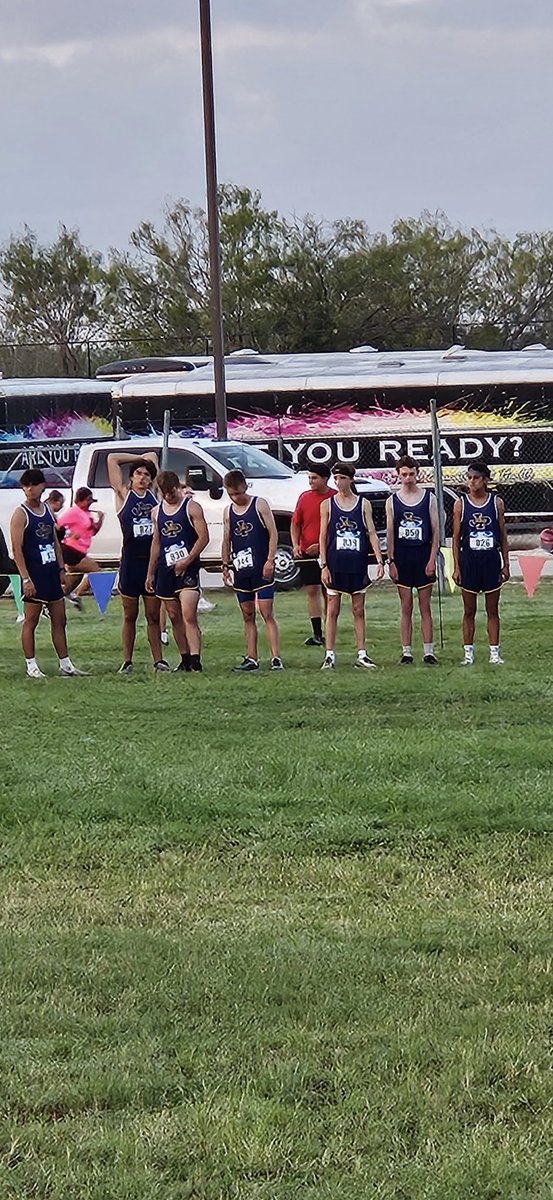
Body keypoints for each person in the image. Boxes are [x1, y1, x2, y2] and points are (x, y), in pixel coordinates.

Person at [9, 468, 87, 678]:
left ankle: (66, 664)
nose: (29, 490)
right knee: (31, 620)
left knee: (59, 619)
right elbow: (17, 549)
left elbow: (54, 541)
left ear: (42, 486)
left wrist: (61, 569)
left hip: (51, 571)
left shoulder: (46, 510)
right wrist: (26, 578)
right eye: (25, 486)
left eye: (32, 485)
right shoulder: (20, 514)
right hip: (34, 574)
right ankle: (31, 666)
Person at [319, 462, 384, 670]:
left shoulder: (363, 504)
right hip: (335, 562)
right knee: (332, 608)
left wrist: (379, 560)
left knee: (358, 609)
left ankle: (362, 653)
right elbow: (323, 537)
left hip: (356, 563)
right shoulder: (327, 505)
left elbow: (372, 533)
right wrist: (324, 565)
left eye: (342, 478)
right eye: (336, 479)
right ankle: (329, 655)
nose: (339, 483)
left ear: (350, 479)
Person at [107, 451, 167, 673]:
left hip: (151, 564)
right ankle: (128, 661)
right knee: (130, 615)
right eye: (138, 473)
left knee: (153, 615)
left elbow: (152, 455)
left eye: (146, 474)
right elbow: (112, 459)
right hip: (131, 563)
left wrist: (145, 461)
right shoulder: (123, 494)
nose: (142, 477)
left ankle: (159, 660)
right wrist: (137, 458)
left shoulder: (154, 496)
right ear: (131, 477)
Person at [146, 471, 209, 672]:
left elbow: (203, 537)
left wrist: (188, 560)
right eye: (164, 493)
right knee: (174, 616)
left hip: (187, 569)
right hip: (166, 569)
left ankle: (196, 658)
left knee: (188, 614)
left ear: (177, 487)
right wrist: (151, 572)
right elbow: (156, 542)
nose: (168, 497)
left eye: (171, 492)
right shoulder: (156, 512)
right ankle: (185, 658)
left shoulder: (192, 507)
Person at [222, 469, 283, 671]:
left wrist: (270, 559)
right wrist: (225, 566)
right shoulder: (228, 511)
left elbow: (273, 533)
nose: (236, 498)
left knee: (266, 612)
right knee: (247, 614)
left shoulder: (259, 504)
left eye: (238, 493)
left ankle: (276, 657)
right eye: (232, 494)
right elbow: (227, 539)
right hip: (241, 569)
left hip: (261, 566)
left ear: (245, 487)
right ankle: (252, 657)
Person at [453, 461, 510, 666]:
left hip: (490, 559)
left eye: (476, 478)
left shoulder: (496, 503)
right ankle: (468, 653)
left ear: (485, 480)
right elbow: (456, 537)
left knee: (492, 609)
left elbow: (502, 534)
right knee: (469, 610)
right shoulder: (461, 503)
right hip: (469, 559)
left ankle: (494, 653)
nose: (471, 481)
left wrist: (506, 563)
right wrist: (457, 567)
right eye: (469, 477)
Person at [386, 455, 439, 665]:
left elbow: (436, 531)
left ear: (418, 474)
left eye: (411, 474)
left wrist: (433, 558)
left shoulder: (429, 498)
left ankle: (429, 651)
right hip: (402, 556)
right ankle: (407, 652)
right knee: (406, 605)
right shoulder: (393, 501)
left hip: (423, 554)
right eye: (404, 474)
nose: (408, 478)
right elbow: (390, 533)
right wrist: (391, 560)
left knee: (425, 606)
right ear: (398, 475)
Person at [291, 465, 335, 646]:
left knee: (329, 590)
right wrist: (295, 545)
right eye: (309, 478)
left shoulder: (333, 497)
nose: (311, 482)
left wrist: (322, 545)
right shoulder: (304, 497)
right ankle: (317, 633)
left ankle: (330, 628)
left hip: (327, 551)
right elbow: (295, 523)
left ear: (325, 478)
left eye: (315, 478)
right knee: (312, 590)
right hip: (306, 551)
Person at [57, 487, 104, 610]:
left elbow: (92, 532)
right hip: (71, 549)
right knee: (95, 570)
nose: (90, 503)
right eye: (88, 500)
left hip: (81, 551)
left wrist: (100, 520)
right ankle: (78, 595)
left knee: (73, 580)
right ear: (80, 500)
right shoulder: (73, 512)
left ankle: (52, 602)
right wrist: (67, 535)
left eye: (91, 501)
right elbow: (57, 525)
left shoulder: (87, 514)